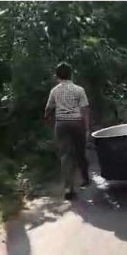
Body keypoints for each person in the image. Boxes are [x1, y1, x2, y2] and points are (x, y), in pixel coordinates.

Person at [44, 62, 91, 200]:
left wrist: (47, 121)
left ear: (57, 76)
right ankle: (85, 178)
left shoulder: (54, 91)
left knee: (65, 155)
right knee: (80, 151)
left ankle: (69, 188)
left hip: (61, 124)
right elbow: (85, 110)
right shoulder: (79, 90)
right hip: (77, 122)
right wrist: (87, 128)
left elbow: (48, 109)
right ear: (71, 74)